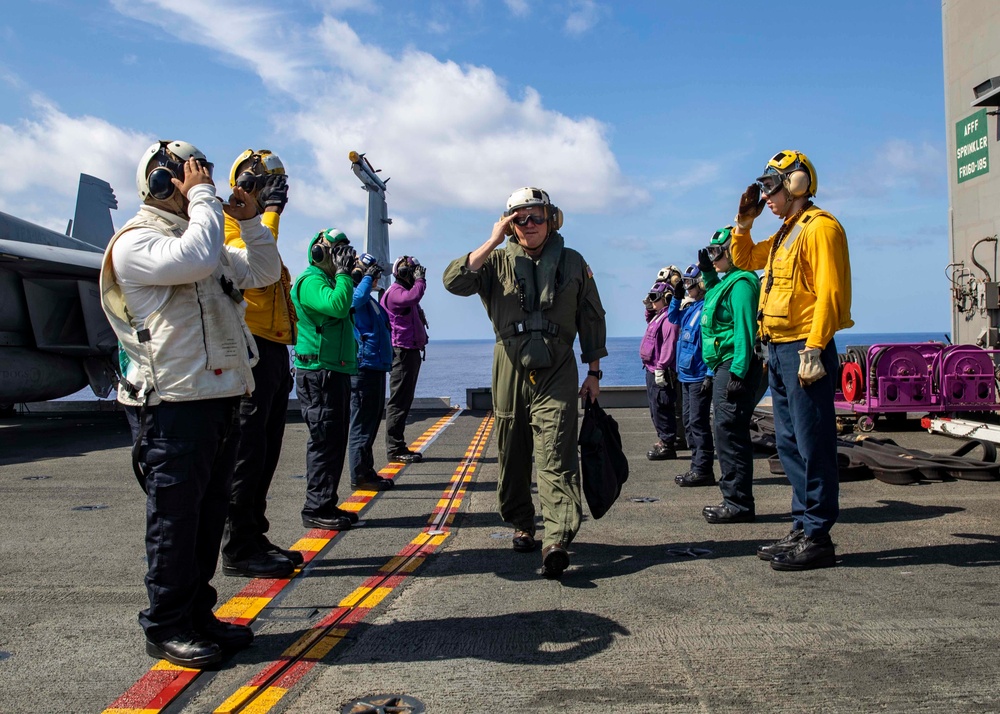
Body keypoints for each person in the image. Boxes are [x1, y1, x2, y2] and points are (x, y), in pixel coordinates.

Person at [100, 140, 281, 667]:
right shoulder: (138, 242)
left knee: (206, 518)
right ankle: (166, 624)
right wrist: (204, 194)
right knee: (175, 523)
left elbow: (265, 272)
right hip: (173, 405)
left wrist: (249, 222)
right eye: (185, 177)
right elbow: (198, 257)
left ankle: (198, 615)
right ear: (161, 183)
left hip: (218, 397)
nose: (197, 185)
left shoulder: (199, 240)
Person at [442, 187, 607, 578]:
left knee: (556, 451)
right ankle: (521, 522)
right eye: (520, 218)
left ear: (551, 219)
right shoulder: (495, 262)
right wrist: (493, 239)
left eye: (536, 216)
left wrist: (595, 373)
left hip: (558, 367)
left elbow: (592, 319)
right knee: (512, 449)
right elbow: (453, 281)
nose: (529, 224)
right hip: (510, 366)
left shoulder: (572, 262)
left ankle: (557, 538)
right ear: (509, 223)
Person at [729, 150, 852, 571]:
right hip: (777, 350)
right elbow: (744, 260)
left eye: (770, 187)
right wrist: (744, 224)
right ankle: (802, 525)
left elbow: (830, 295)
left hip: (803, 348)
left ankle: (818, 535)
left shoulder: (820, 229)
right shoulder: (786, 232)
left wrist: (815, 348)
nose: (766, 196)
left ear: (796, 184)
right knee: (789, 444)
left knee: (813, 444)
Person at [220, 149, 301, 580]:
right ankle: (238, 547)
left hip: (270, 350)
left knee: (266, 451)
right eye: (263, 181)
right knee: (247, 453)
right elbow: (257, 270)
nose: (275, 190)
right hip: (247, 348)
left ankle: (254, 534)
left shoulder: (259, 230)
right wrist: (265, 213)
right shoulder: (227, 223)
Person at [291, 229, 362, 531]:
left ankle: (326, 503)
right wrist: (346, 275)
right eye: (338, 252)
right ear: (321, 253)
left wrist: (350, 276)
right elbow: (337, 306)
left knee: (334, 441)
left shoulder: (331, 282)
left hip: (334, 370)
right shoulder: (310, 281)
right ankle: (316, 507)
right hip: (319, 373)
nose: (342, 258)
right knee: (323, 441)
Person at [698, 227, 763, 525]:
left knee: (730, 431)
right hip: (723, 364)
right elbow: (714, 306)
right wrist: (709, 275)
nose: (713, 259)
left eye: (717, 253)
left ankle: (738, 502)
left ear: (732, 251)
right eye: (710, 253)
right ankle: (734, 499)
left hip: (734, 364)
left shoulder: (742, 284)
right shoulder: (728, 282)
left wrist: (738, 371)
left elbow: (744, 331)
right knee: (725, 430)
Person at [348, 253, 396, 491]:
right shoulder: (354, 294)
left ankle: (366, 470)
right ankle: (359, 474)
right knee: (361, 425)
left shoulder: (372, 302)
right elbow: (353, 301)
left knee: (370, 423)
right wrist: (363, 276)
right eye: (373, 275)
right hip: (364, 368)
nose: (376, 278)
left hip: (376, 367)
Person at [667, 264, 716, 487]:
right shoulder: (692, 308)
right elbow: (673, 318)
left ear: (700, 285)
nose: (686, 288)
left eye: (688, 284)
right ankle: (696, 467)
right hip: (685, 376)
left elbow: (709, 343)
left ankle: (703, 469)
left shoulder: (707, 308)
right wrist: (676, 298)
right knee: (688, 422)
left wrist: (709, 374)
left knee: (698, 423)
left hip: (698, 376)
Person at [382, 255, 429, 463]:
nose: (416, 275)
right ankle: (394, 448)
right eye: (413, 272)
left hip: (409, 351)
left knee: (403, 399)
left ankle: (398, 445)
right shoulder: (396, 293)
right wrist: (421, 282)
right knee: (399, 401)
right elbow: (412, 298)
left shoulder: (401, 291)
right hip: (402, 353)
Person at [639, 281, 680, 461]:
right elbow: (649, 319)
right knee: (655, 407)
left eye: (655, 298)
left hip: (660, 370)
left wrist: (662, 367)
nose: (652, 301)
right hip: (652, 368)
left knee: (662, 406)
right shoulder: (658, 316)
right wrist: (649, 306)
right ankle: (663, 440)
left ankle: (667, 444)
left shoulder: (669, 319)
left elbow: (668, 345)